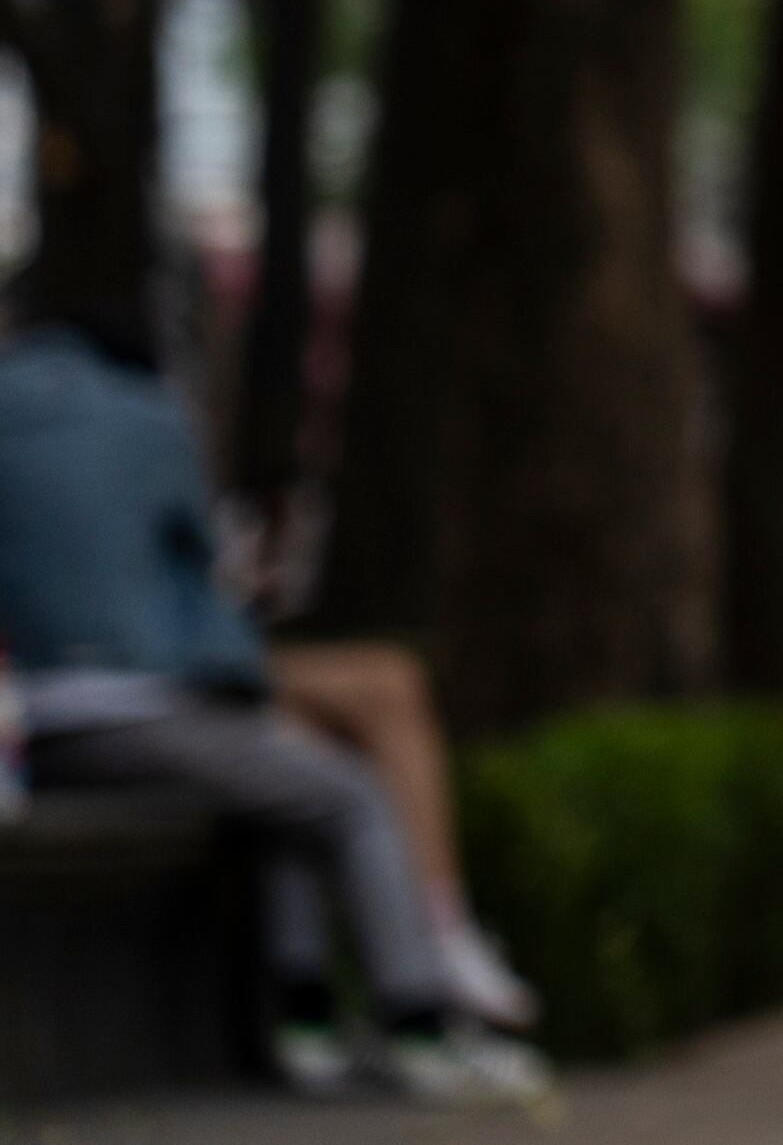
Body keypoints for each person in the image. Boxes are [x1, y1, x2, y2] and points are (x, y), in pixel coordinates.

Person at [0, 282, 543, 1102]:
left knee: (286, 786)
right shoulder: (145, 417)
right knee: (353, 797)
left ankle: (306, 1020)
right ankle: (421, 1018)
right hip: (139, 703)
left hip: (42, 716)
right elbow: (195, 549)